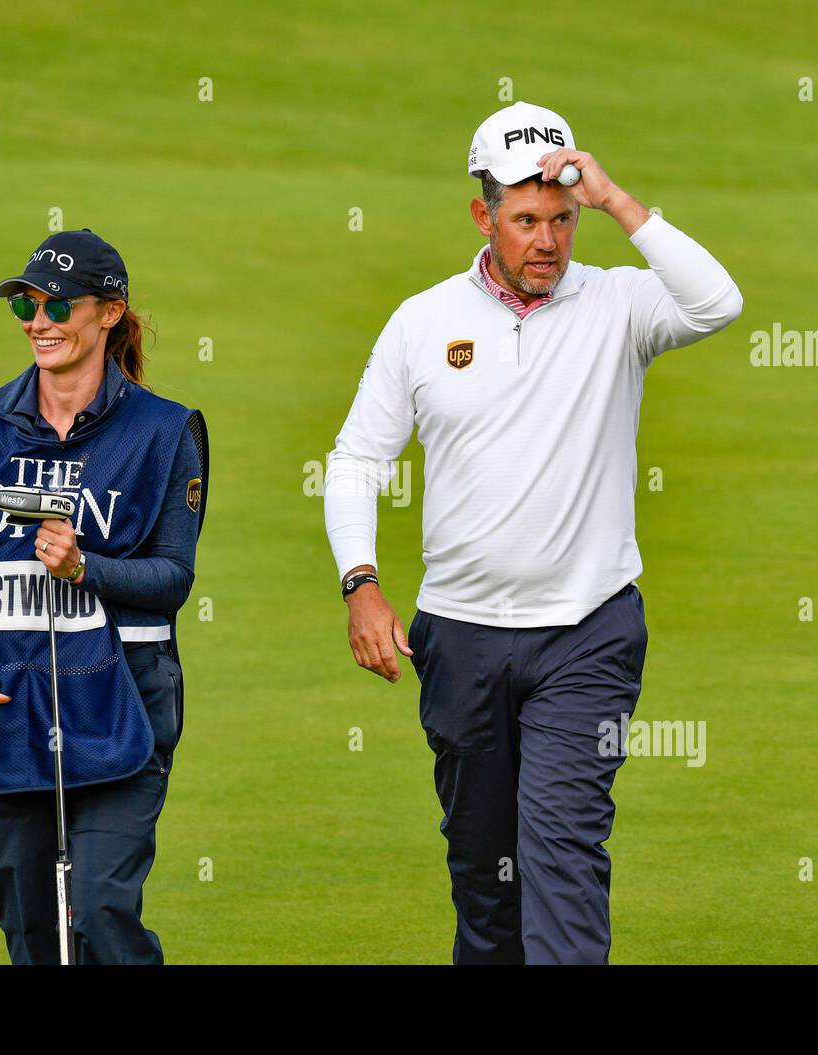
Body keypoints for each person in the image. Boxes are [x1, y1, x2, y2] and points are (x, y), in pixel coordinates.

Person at [323, 101, 742, 964]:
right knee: (486, 871)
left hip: (586, 635)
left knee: (561, 850)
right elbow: (358, 459)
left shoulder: (621, 303)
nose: (546, 240)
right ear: (484, 216)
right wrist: (360, 582)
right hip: (461, 637)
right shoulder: (422, 321)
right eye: (525, 220)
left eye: (562, 218)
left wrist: (620, 200)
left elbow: (719, 301)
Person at [0, 229, 208, 964]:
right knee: (33, 936)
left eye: (58, 304)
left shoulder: (166, 432)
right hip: (4, 706)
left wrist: (86, 567)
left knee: (103, 914)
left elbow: (173, 579)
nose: (38, 320)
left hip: (123, 706)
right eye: (24, 303)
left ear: (109, 313)